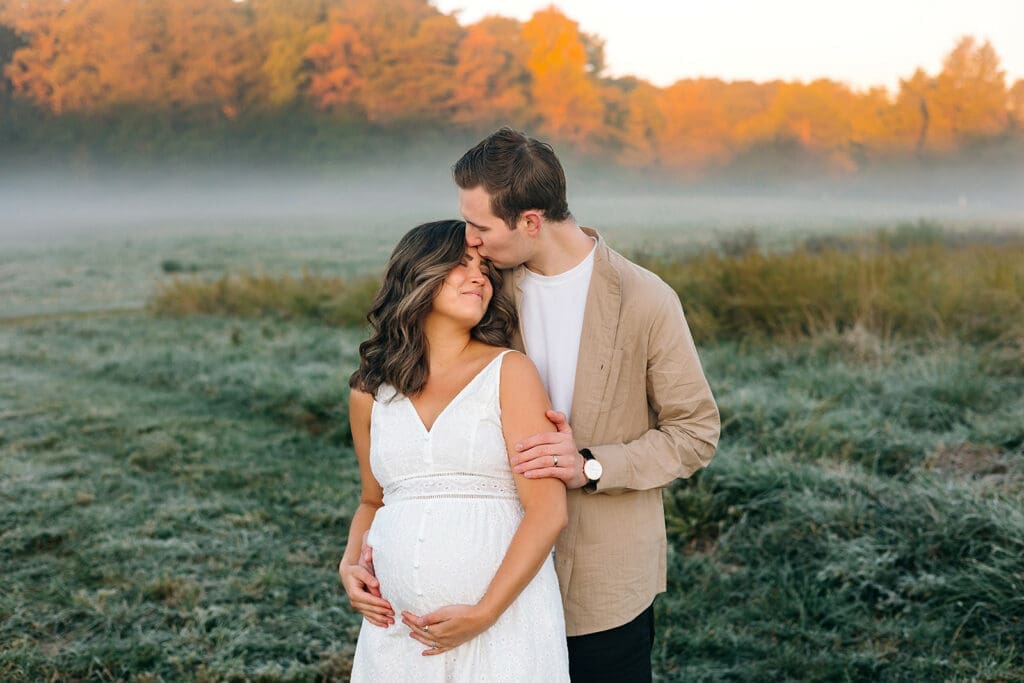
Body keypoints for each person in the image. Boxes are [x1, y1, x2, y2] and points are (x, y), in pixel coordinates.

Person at [355, 128, 721, 681]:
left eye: (479, 228)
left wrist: (590, 465)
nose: (470, 243)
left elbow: (695, 432)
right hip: (493, 575)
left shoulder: (645, 299)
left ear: (530, 221)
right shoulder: (489, 288)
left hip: (602, 583)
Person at [338, 219, 571, 681]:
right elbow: (373, 500)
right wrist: (348, 565)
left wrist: (485, 613)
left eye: (485, 268)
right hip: (397, 639)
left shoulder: (511, 372)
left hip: (503, 628)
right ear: (418, 274)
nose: (480, 276)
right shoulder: (370, 392)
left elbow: (548, 512)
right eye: (460, 264)